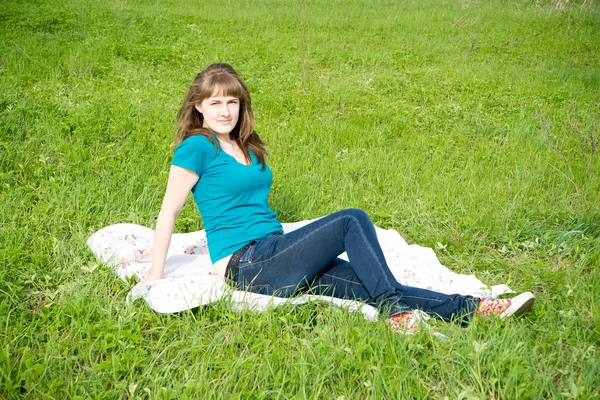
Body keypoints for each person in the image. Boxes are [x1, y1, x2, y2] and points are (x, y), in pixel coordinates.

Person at [144, 63, 535, 334]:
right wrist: (155, 276)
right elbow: (169, 211)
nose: (225, 111)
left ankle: (475, 308)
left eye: (232, 102)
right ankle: (396, 314)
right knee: (351, 219)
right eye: (215, 103)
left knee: (374, 282)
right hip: (248, 262)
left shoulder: (246, 146)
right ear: (198, 106)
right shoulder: (197, 147)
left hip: (277, 252)